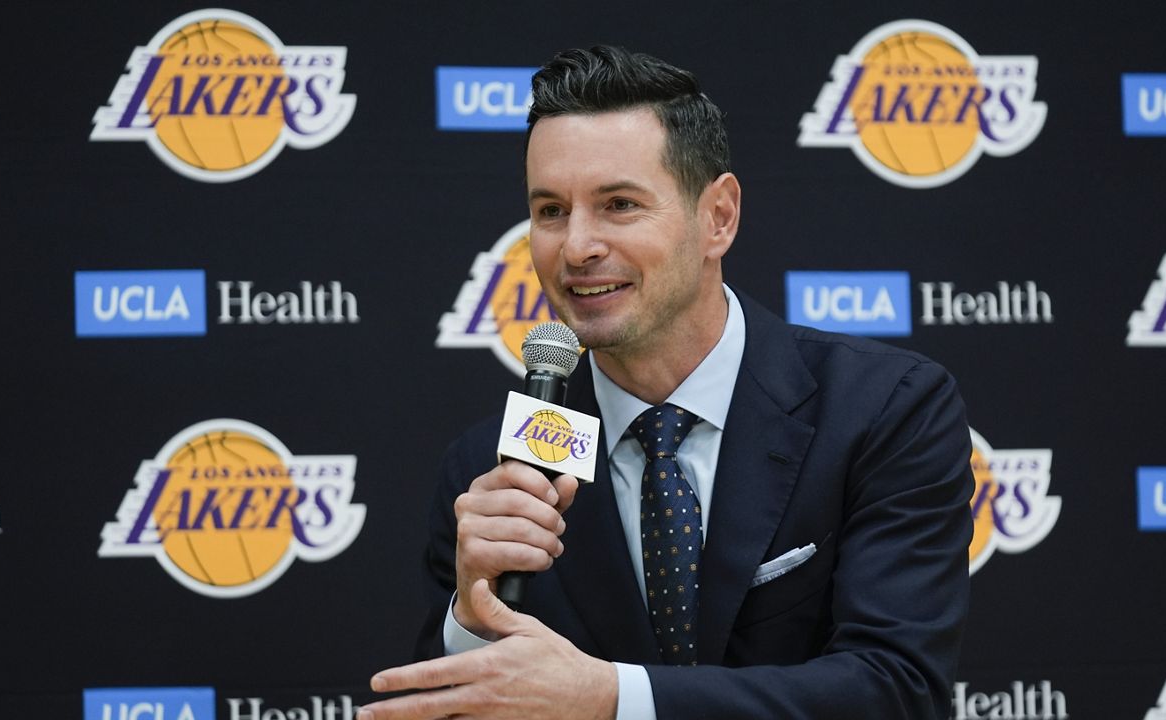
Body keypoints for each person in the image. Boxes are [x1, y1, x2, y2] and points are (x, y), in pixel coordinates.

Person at [359, 45, 973, 720]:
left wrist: (612, 698)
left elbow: (897, 691)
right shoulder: (490, 467)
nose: (576, 247)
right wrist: (474, 616)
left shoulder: (885, 408)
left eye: (619, 204)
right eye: (550, 211)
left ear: (719, 217)